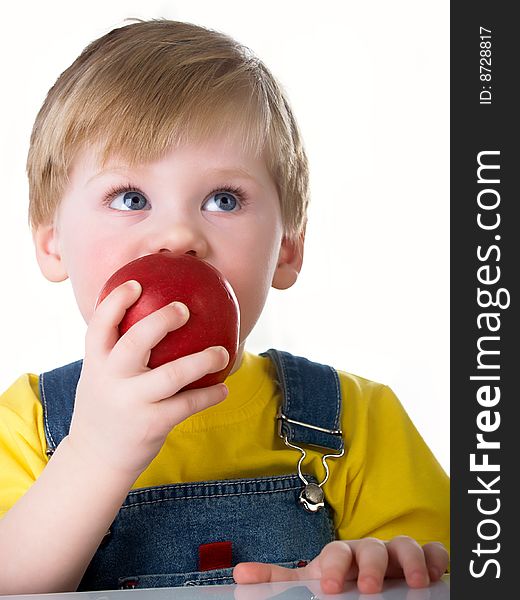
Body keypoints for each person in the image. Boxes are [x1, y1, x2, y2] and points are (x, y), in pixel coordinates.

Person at [0, 19, 449, 595]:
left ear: (287, 249)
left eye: (223, 199)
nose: (179, 234)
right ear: (51, 241)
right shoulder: (27, 427)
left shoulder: (359, 422)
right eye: (130, 198)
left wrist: (381, 570)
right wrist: (94, 454)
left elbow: (444, 572)